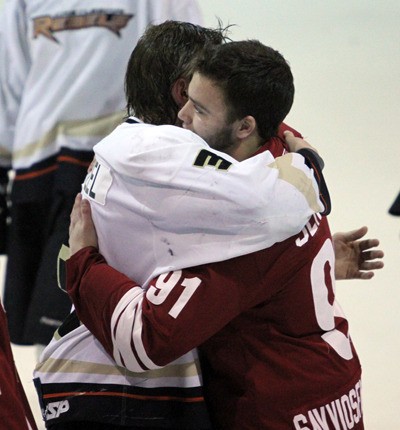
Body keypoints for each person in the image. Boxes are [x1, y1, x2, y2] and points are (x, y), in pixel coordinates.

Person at [62, 40, 384, 429]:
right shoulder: (285, 151)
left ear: (244, 125)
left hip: (276, 410)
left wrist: (83, 263)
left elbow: (145, 340)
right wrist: (308, 263)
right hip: (333, 393)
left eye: (198, 109)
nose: (182, 117)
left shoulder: (239, 229)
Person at [0, 0, 203, 349]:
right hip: (40, 169)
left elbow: (192, 61)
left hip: (124, 163)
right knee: (50, 328)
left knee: (120, 308)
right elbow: (8, 75)